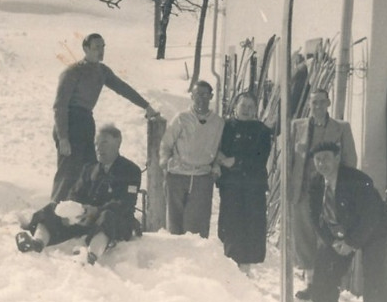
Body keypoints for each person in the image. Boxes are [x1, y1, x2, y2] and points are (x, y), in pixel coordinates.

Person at [300, 141, 387, 302]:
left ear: (337, 158)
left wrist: (351, 243)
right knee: (326, 258)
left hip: (375, 229)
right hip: (344, 230)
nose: (321, 163)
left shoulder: (356, 179)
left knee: (374, 270)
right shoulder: (316, 183)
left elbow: (371, 215)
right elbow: (316, 217)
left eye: (326, 158)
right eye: (317, 160)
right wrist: (333, 241)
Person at [52, 33, 156, 201]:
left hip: (86, 122)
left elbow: (123, 88)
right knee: (67, 175)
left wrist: (146, 105)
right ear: (85, 49)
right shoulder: (73, 71)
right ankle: (53, 215)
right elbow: (59, 106)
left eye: (103, 47)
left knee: (89, 172)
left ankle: (80, 216)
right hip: (70, 124)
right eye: (96, 47)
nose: (100, 51)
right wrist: (63, 138)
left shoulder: (102, 71)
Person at [17, 124, 141, 265]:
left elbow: (125, 203)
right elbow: (75, 193)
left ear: (118, 143)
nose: (99, 148)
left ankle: (91, 256)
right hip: (86, 219)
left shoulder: (130, 170)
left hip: (116, 222)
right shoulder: (90, 169)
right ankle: (37, 243)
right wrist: (72, 210)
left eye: (104, 143)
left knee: (107, 217)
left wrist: (95, 211)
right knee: (52, 209)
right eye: (96, 144)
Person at [290, 89, 357, 298]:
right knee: (304, 235)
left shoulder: (341, 128)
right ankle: (310, 284)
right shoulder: (298, 126)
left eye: (321, 102)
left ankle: (324, 286)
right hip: (303, 189)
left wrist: (343, 188)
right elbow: (289, 159)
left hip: (328, 191)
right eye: (314, 103)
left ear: (328, 102)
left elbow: (349, 160)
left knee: (325, 236)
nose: (317, 106)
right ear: (309, 105)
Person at [160, 81, 225, 238]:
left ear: (211, 96)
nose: (200, 99)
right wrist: (165, 164)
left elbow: (221, 149)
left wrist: (216, 167)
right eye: (197, 95)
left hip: (201, 177)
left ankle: (195, 261)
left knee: (196, 230)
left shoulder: (218, 122)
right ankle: (174, 261)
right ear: (192, 97)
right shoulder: (181, 118)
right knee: (175, 226)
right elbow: (166, 143)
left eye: (204, 95)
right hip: (177, 175)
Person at [215, 92, 272, 270]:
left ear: (255, 110)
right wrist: (220, 158)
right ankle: (232, 271)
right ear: (235, 107)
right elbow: (216, 148)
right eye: (243, 105)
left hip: (253, 187)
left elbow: (260, 158)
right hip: (231, 186)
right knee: (231, 227)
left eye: (251, 107)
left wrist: (235, 161)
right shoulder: (225, 127)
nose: (246, 110)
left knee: (251, 229)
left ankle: (245, 272)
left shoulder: (262, 130)